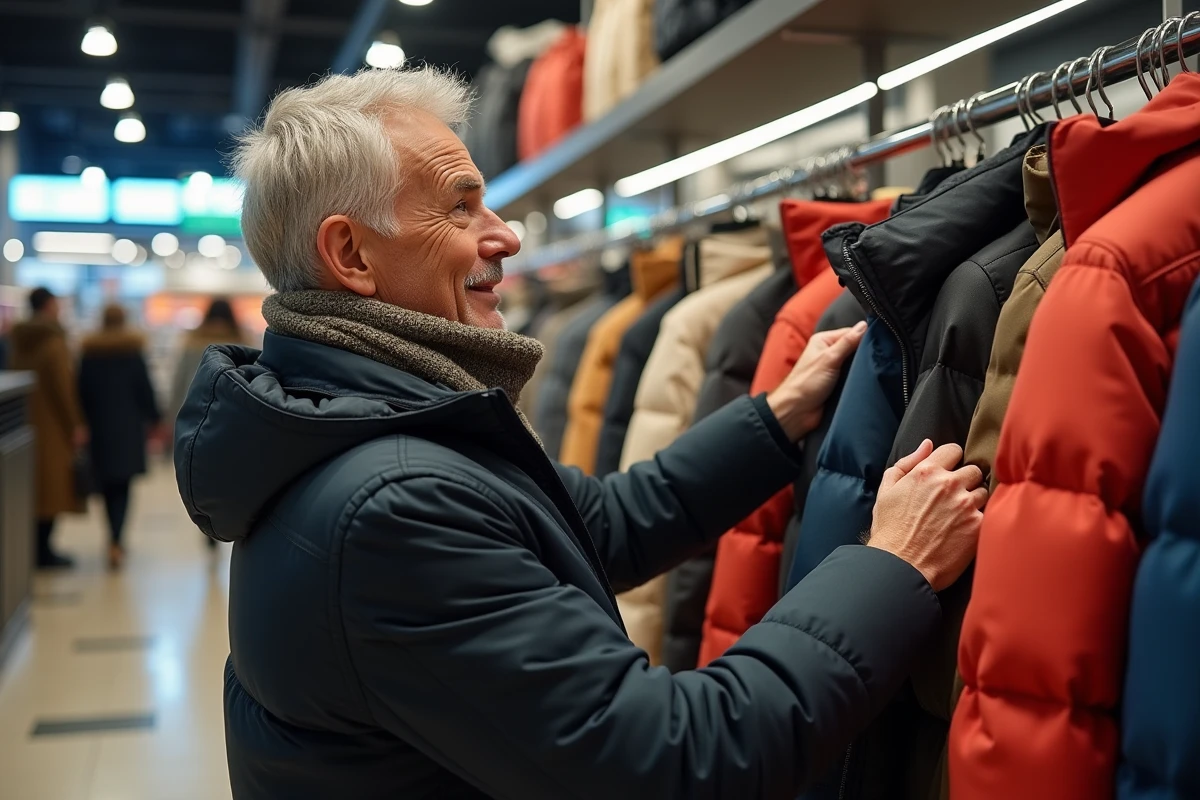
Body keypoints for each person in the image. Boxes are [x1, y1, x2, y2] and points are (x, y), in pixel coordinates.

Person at [174, 68, 987, 799]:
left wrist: (775, 418)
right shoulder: (391, 505)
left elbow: (599, 524)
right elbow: (677, 759)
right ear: (351, 254)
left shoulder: (367, 428)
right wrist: (891, 567)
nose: (506, 234)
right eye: (461, 205)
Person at [78, 304, 161, 569]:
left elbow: (81, 392)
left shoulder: (89, 353)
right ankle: (117, 538)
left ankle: (111, 536)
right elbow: (145, 391)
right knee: (123, 487)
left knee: (104, 486)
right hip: (127, 429)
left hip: (99, 428)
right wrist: (155, 418)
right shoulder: (132, 352)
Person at [10, 287, 87, 568]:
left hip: (23, 422)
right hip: (53, 427)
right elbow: (63, 389)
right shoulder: (54, 342)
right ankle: (45, 552)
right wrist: (76, 424)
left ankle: (35, 550)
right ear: (48, 305)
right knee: (53, 491)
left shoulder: (18, 340)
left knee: (33, 490)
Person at [169, 297, 245, 551]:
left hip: (198, 419)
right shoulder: (242, 343)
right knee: (233, 473)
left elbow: (179, 384)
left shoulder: (193, 344)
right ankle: (230, 520)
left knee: (203, 471)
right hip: (235, 419)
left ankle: (209, 524)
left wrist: (172, 417)